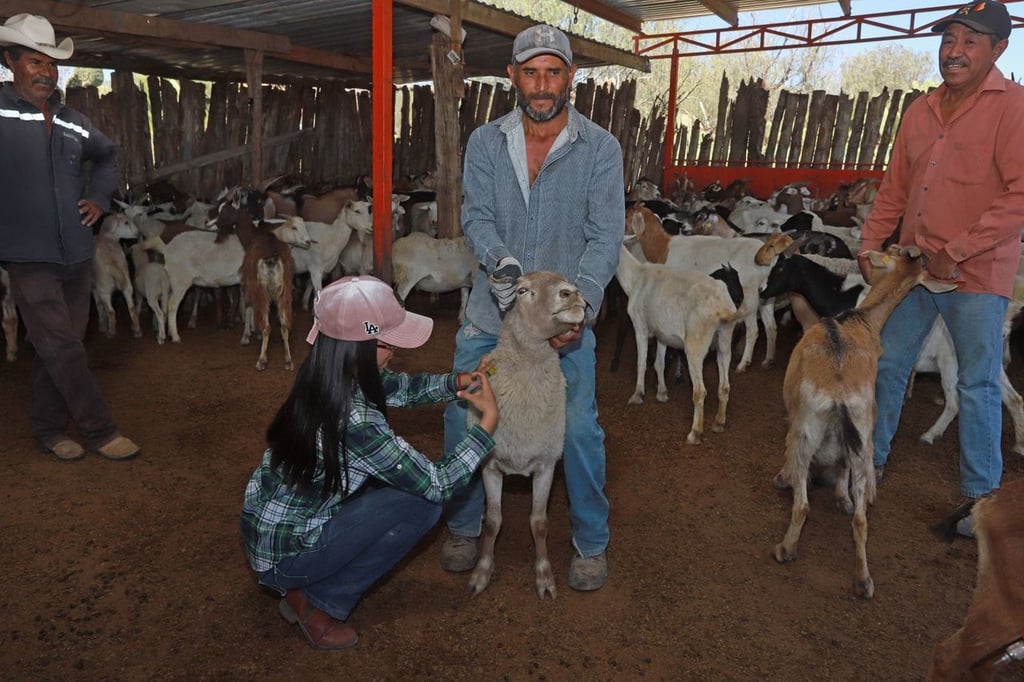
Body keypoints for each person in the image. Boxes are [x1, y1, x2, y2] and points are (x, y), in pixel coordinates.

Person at [439, 24, 624, 591]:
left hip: (565, 319)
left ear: (570, 76)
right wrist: (502, 266)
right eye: (530, 72)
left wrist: (582, 306)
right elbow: (476, 217)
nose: (542, 86)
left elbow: (604, 234)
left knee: (579, 429)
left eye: (553, 72)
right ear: (512, 77)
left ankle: (590, 543)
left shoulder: (600, 149)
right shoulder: (486, 143)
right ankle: (466, 525)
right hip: (492, 318)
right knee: (459, 416)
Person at [240, 275, 498, 650]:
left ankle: (302, 585)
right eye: (385, 341)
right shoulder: (355, 420)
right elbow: (438, 482)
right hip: (283, 555)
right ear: (357, 348)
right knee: (422, 504)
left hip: (266, 531)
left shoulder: (325, 376)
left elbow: (397, 388)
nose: (394, 348)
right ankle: (319, 602)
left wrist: (454, 383)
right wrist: (486, 427)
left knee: (389, 483)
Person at [857, 0, 1024, 537]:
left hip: (975, 274)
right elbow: (896, 189)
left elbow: (1020, 193)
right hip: (913, 269)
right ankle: (868, 466)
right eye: (949, 39)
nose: (954, 51)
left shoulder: (1014, 107)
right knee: (886, 364)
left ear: (998, 49)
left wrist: (959, 249)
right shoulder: (920, 110)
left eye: (970, 41)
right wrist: (866, 243)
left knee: (976, 383)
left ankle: (980, 501)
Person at [0, 13, 140, 461]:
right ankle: (100, 430)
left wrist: (99, 197)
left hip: (78, 254)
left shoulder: (74, 120)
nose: (45, 72)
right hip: (26, 254)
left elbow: (106, 157)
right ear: (11, 61)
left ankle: (48, 430)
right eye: (35, 61)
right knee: (61, 344)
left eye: (51, 63)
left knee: (58, 346)